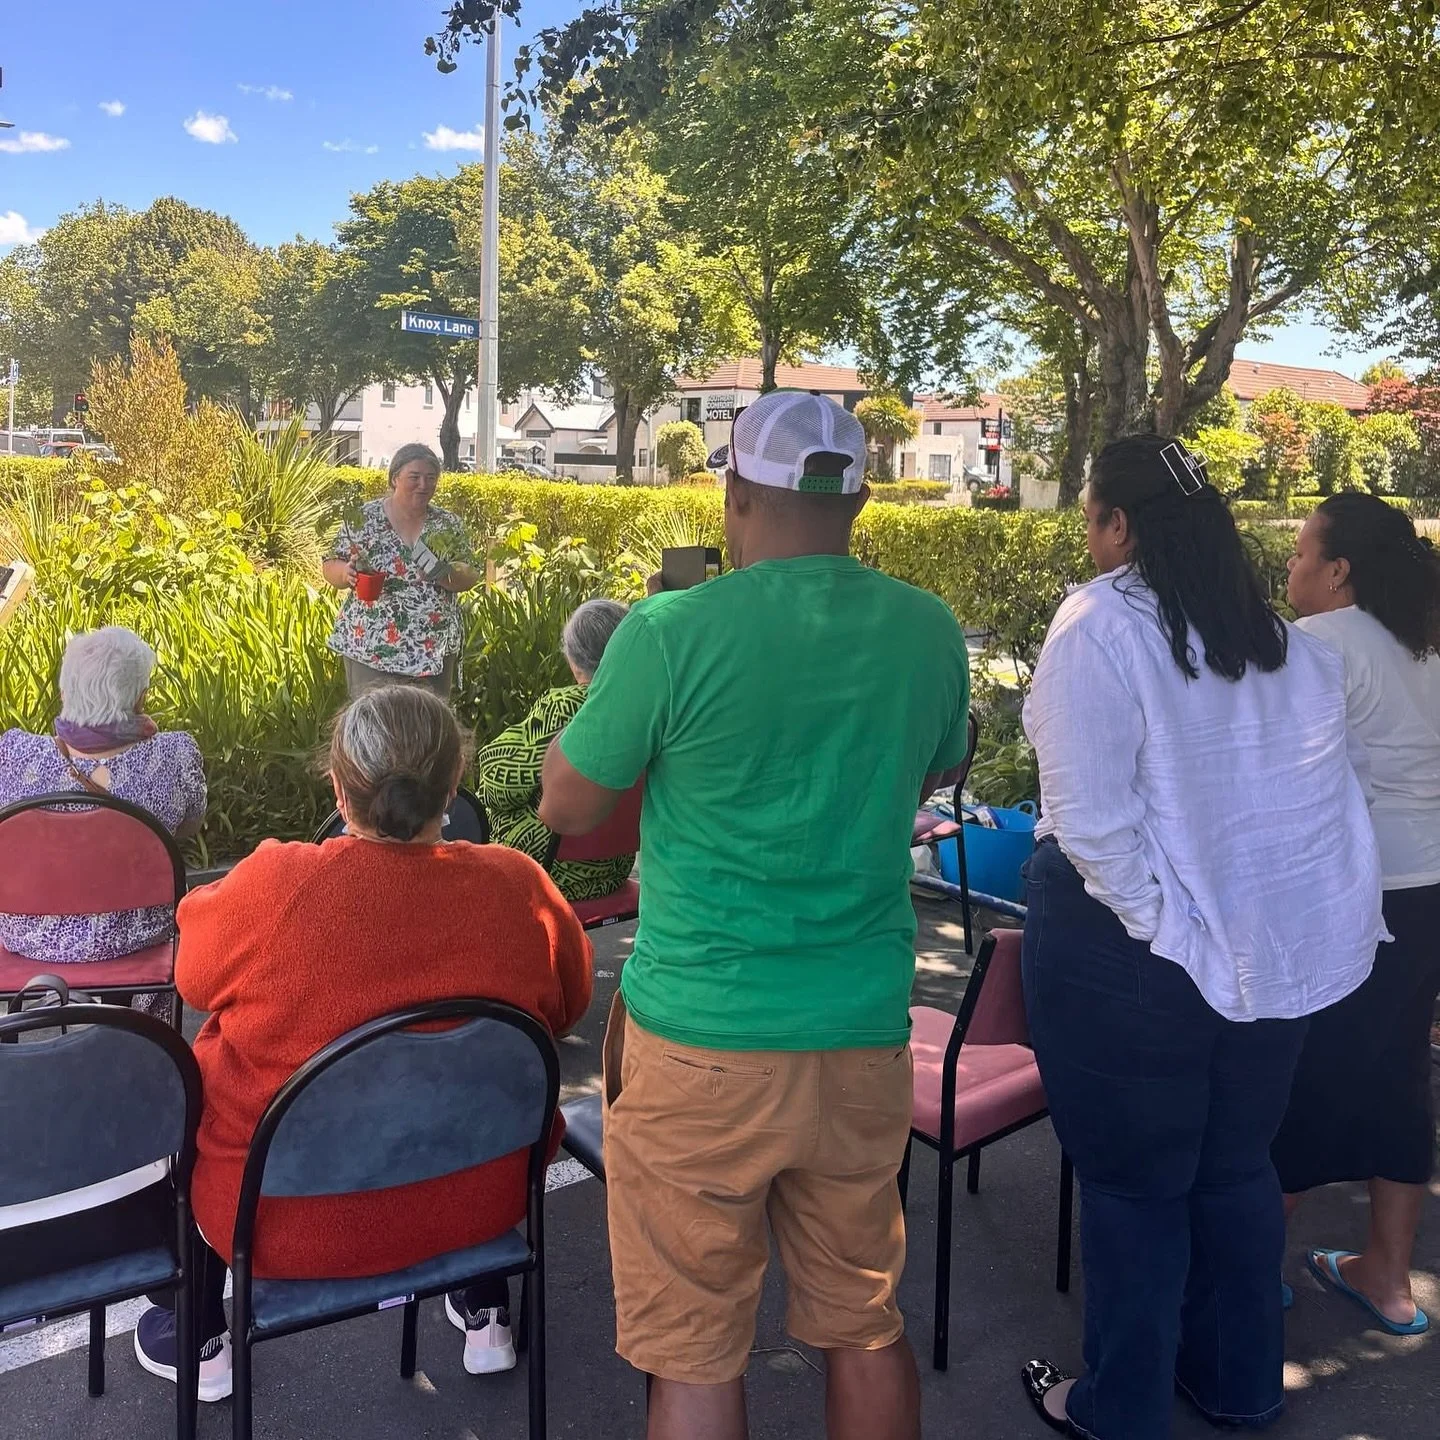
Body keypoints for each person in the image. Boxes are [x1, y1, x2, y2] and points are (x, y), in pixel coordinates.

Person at [537, 389, 971, 1440]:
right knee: (863, 1320)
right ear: (858, 500)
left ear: (734, 492)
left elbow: (567, 805)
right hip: (862, 1031)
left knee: (695, 1351)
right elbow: (936, 769)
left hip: (702, 1039)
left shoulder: (669, 630)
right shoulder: (927, 628)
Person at [1016, 435, 1387, 1439]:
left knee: (1136, 1187)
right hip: (1266, 948)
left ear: (1117, 524)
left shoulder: (1100, 623)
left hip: (1137, 947)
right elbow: (1322, 802)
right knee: (1234, 1167)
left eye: (1091, 516)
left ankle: (1120, 1408)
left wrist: (1168, 931)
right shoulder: (1281, 640)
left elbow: (1090, 825)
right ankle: (1237, 1383)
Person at [130, 686, 592, 1401]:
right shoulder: (518, 885)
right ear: (454, 782)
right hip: (482, 1200)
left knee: (205, 1083)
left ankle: (200, 1340)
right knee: (470, 1074)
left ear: (339, 786)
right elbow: (567, 1003)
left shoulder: (275, 885)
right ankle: (486, 1307)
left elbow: (192, 980)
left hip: (280, 1223)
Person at [1270, 493, 1440, 1336]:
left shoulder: (1319, 642)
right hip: (1429, 887)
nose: (1290, 563)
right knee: (1400, 1071)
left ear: (1338, 570)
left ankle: (1250, 1270)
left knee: (1304, 1071)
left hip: (1353, 889)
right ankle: (1388, 1276)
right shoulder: (1426, 641)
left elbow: (1275, 774)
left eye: (1303, 551)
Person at [0, 626, 206, 974]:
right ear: (140, 699)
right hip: (139, 938)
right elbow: (190, 825)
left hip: (30, 942)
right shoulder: (174, 755)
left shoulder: (12, 755)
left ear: (64, 693)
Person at [477, 598, 633, 901]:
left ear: (574, 658)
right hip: (612, 871)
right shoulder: (642, 705)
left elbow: (499, 789)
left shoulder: (566, 707)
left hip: (549, 872)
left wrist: (503, 746)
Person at [322, 444, 481, 698]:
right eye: (414, 477)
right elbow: (330, 564)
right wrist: (345, 573)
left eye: (431, 478)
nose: (423, 485)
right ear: (395, 478)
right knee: (375, 718)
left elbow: (471, 574)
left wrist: (446, 573)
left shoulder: (448, 524)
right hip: (372, 646)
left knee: (428, 720)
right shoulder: (363, 519)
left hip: (432, 648)